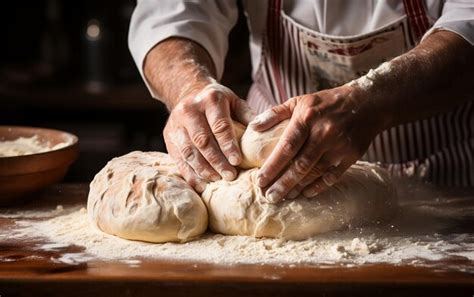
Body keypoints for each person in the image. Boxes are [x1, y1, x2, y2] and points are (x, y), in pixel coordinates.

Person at [129, 0, 474, 203]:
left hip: (447, 178)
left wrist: (373, 100)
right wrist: (189, 86)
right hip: (274, 174)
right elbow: (170, 13)